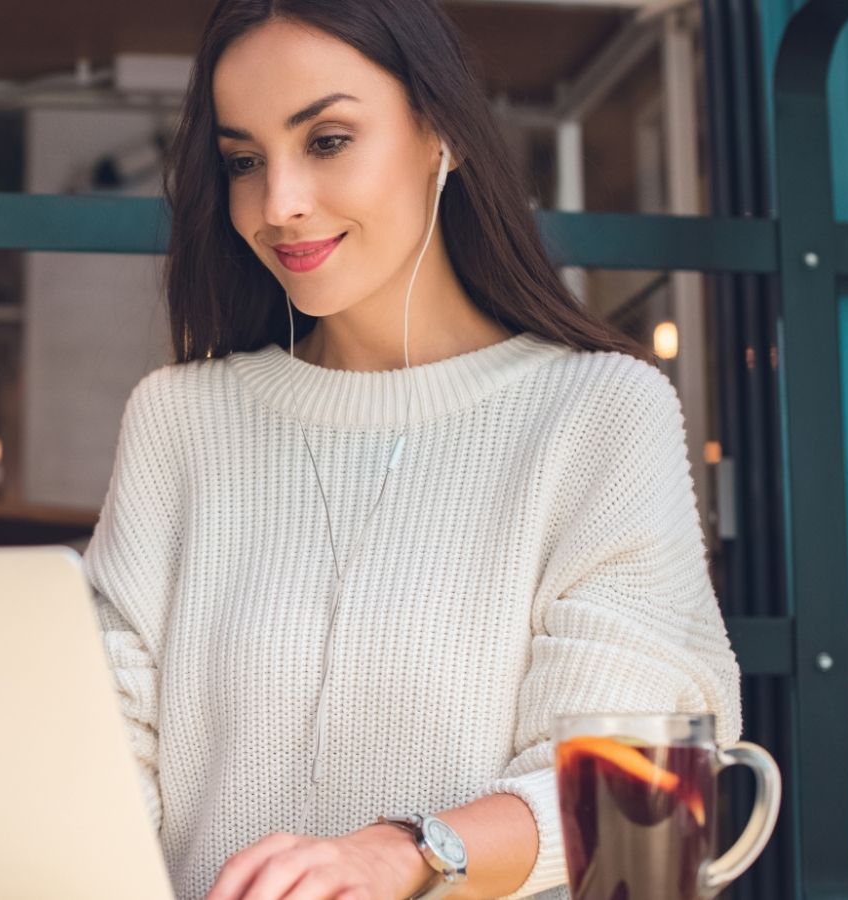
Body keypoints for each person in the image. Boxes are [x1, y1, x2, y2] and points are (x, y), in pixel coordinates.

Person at [82, 2, 742, 899]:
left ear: (442, 134)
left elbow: (629, 779)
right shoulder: (179, 423)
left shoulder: (597, 412)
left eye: (326, 140)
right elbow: (100, 757)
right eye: (244, 161)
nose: (279, 204)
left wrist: (408, 853)